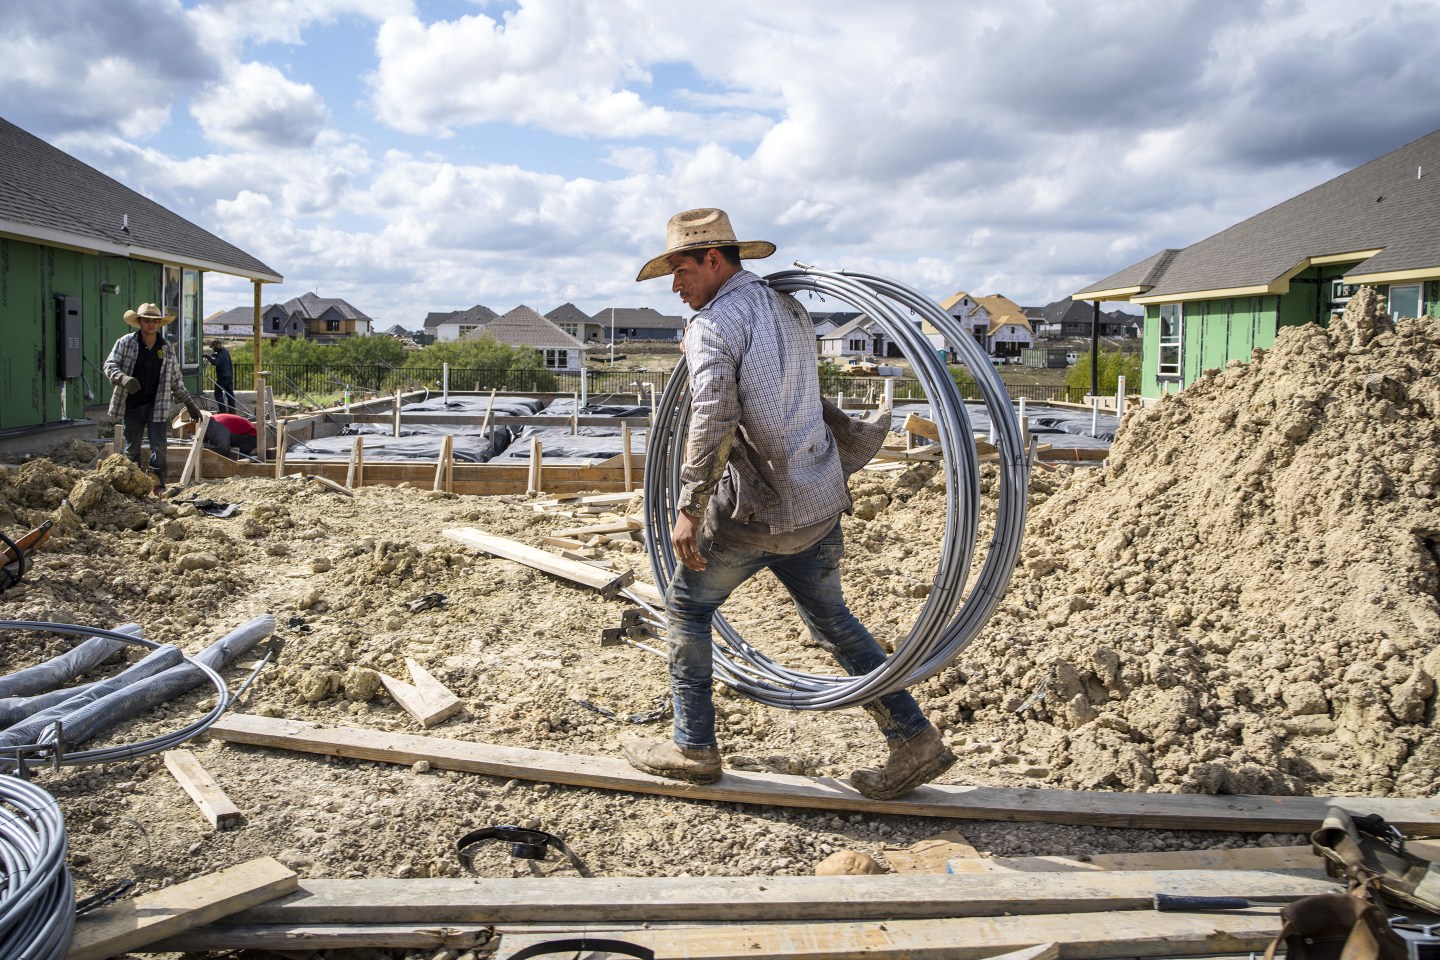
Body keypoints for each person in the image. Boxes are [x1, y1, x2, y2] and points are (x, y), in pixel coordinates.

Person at [622, 208, 956, 800]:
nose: (675, 286)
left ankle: (692, 745)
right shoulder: (790, 308)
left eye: (680, 270)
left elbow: (714, 419)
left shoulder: (713, 325)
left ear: (714, 260)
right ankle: (913, 737)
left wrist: (688, 507)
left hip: (755, 513)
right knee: (834, 621)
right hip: (818, 497)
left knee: (687, 612)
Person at [104, 303, 203, 492]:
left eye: (154, 321)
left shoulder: (165, 348)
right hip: (131, 404)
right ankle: (133, 485)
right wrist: (123, 378)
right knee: (132, 447)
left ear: (159, 323)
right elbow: (109, 365)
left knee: (159, 446)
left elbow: (175, 379)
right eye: (147, 320)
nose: (151, 324)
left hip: (156, 405)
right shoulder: (126, 342)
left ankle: (158, 485)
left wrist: (189, 403)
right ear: (140, 321)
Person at [205, 339, 236, 413]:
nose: (213, 349)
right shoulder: (225, 351)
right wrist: (214, 355)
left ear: (216, 347)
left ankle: (222, 410)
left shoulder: (220, 354)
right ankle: (232, 410)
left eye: (213, 348)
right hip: (229, 376)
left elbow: (216, 362)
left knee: (218, 393)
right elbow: (220, 358)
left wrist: (207, 357)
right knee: (230, 393)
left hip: (223, 377)